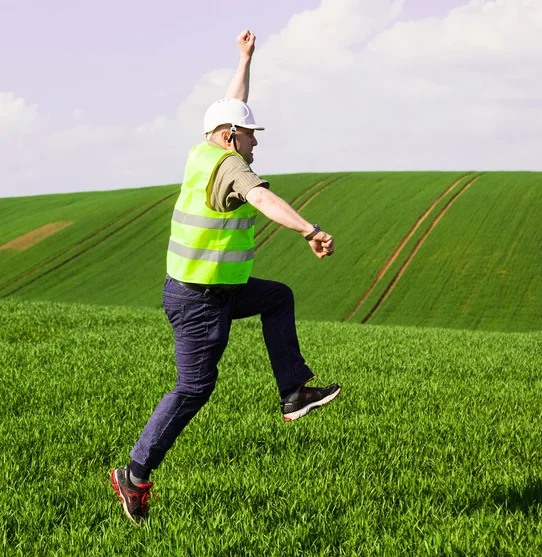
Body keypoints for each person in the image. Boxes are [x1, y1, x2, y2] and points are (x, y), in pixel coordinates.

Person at [111, 30, 341, 524]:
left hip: (219, 290)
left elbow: (231, 104)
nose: (256, 141)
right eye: (251, 134)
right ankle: (133, 474)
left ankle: (293, 393)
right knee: (194, 387)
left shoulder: (203, 149)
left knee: (278, 297)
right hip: (198, 300)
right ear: (232, 137)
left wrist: (245, 58)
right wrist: (309, 228)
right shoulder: (231, 167)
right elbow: (260, 197)